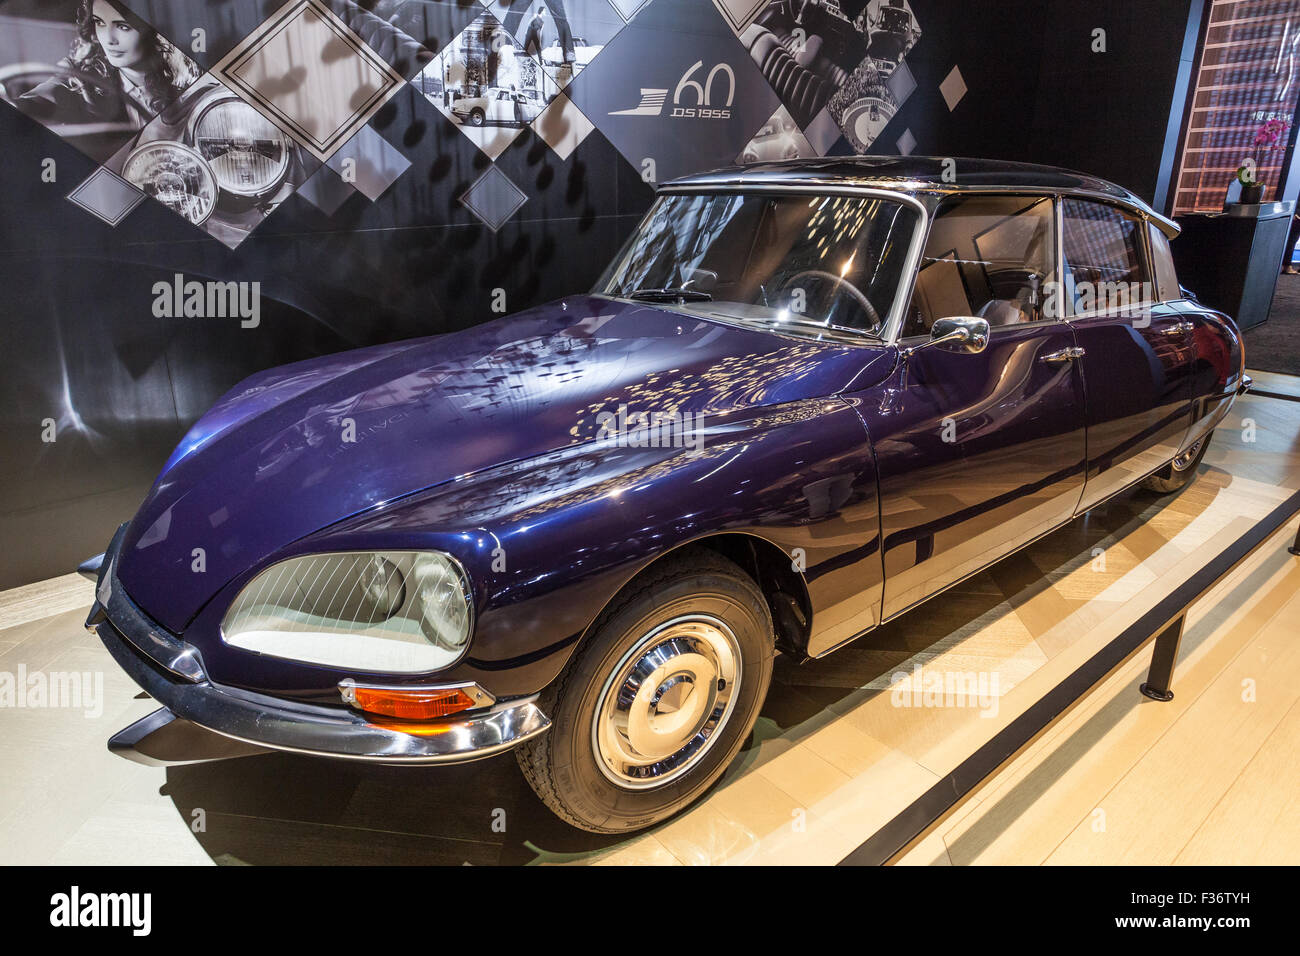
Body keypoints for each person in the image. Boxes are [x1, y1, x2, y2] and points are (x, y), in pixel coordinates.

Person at [19, 0, 197, 129]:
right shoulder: (79, 75)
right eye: (99, 22)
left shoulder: (186, 83)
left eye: (123, 26)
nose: (108, 39)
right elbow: (41, 97)